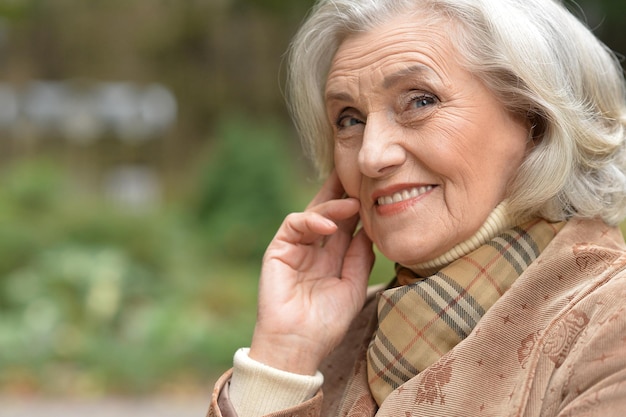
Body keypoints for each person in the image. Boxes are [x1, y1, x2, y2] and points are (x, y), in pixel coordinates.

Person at [208, 0, 626, 415]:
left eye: (420, 101)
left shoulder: (610, 323)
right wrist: (285, 356)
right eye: (349, 119)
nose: (371, 156)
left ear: (536, 120)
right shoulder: (337, 338)